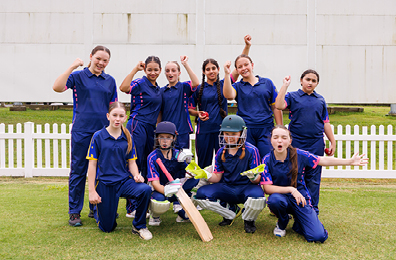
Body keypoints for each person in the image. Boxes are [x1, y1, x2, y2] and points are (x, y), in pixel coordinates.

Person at [261, 125, 368, 242]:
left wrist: (350, 161)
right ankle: (282, 222)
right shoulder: (267, 159)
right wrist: (291, 189)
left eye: (284, 137)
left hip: (300, 198)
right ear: (271, 140)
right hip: (280, 197)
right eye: (275, 137)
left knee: (318, 237)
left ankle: (299, 224)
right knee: (275, 200)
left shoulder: (300, 154)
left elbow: (322, 160)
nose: (280, 140)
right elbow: (267, 188)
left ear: (290, 141)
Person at [52, 45, 118, 226]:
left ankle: (95, 207)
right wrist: (72, 66)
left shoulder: (110, 81)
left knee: (101, 172)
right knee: (79, 170)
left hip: (103, 133)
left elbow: (114, 107)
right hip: (82, 131)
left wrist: (116, 126)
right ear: (91, 57)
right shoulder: (78, 77)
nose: (101, 63)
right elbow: (57, 87)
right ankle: (74, 212)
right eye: (98, 58)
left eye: (105, 60)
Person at [87, 102, 153, 240]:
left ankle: (139, 226)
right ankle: (97, 209)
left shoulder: (128, 138)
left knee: (145, 189)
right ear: (108, 116)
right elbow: (92, 166)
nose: (117, 119)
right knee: (108, 228)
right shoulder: (98, 136)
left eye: (121, 116)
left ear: (125, 118)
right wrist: (92, 191)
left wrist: (136, 175)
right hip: (105, 184)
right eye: (114, 115)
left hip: (123, 182)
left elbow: (132, 163)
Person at [190, 115, 266, 234]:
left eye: (233, 134)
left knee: (258, 199)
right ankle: (230, 212)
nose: (229, 137)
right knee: (201, 195)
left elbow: (256, 181)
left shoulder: (252, 150)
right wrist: (205, 174)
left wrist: (253, 176)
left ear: (242, 133)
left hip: (247, 188)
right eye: (226, 133)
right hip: (227, 187)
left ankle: (249, 220)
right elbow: (217, 177)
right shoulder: (221, 152)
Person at [274, 70, 336, 214]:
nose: (310, 83)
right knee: (294, 175)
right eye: (307, 79)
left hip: (316, 143)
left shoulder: (320, 100)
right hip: (296, 143)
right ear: (301, 80)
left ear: (317, 84)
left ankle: (312, 209)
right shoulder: (293, 96)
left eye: (314, 81)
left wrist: (332, 141)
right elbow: (279, 105)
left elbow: (325, 122)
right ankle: (291, 208)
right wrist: (285, 85)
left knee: (314, 179)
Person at [189, 35, 252, 168]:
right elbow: (190, 109)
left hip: (222, 129)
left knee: (224, 159)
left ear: (218, 70)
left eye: (214, 68)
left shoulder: (225, 83)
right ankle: (203, 184)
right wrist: (197, 113)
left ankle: (223, 182)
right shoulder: (199, 88)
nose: (211, 71)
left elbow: (239, 65)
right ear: (204, 72)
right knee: (204, 162)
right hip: (203, 130)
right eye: (208, 69)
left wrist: (247, 46)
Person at [119, 56, 162, 217]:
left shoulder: (158, 88)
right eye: (149, 69)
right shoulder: (140, 82)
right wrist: (135, 69)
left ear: (160, 70)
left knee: (146, 163)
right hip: (137, 125)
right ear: (145, 70)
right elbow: (123, 87)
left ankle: (142, 201)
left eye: (156, 69)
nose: (152, 72)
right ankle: (131, 207)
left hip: (151, 128)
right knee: (133, 162)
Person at [223, 50, 283, 159]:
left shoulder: (267, 83)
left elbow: (276, 107)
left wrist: (280, 128)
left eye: (246, 64)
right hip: (246, 129)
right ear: (237, 70)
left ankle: (266, 177)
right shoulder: (238, 86)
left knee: (267, 159)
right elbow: (228, 95)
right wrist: (227, 74)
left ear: (252, 65)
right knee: (248, 160)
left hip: (266, 128)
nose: (244, 68)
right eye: (240, 67)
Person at [146, 121, 199, 225]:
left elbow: (189, 174)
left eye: (168, 137)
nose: (165, 141)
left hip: (177, 188)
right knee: (159, 202)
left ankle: (181, 212)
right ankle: (155, 215)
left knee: (195, 182)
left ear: (174, 138)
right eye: (161, 137)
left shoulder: (178, 154)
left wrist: (190, 164)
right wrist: (168, 191)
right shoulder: (152, 157)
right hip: (161, 190)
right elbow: (155, 184)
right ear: (157, 138)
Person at [160, 56, 199, 149]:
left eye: (173, 70)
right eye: (167, 71)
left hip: (182, 131)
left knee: (182, 159)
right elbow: (160, 112)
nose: (170, 73)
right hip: (166, 132)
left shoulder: (184, 87)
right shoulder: (161, 91)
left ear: (179, 73)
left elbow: (196, 82)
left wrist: (185, 64)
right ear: (165, 73)